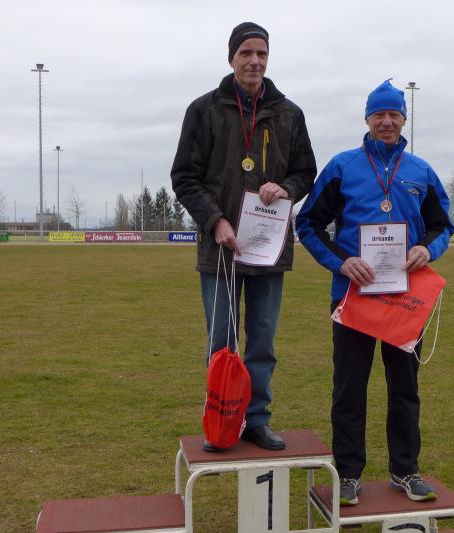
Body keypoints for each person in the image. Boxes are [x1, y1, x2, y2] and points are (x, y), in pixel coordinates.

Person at [296, 80, 454, 504]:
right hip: (354, 296)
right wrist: (340, 262)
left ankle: (405, 470)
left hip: (405, 299)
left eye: (394, 115)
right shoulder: (342, 166)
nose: (386, 122)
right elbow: (307, 223)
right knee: (349, 388)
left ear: (404, 119)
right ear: (366, 119)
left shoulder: (421, 172)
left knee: (405, 388)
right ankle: (348, 474)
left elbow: (443, 226)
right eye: (378, 114)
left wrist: (427, 248)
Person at [171, 22, 316, 452]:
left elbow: (306, 171)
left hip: (268, 250)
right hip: (220, 248)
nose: (255, 61)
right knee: (222, 342)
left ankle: (257, 420)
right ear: (231, 57)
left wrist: (286, 188)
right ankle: (222, 421)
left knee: (263, 342)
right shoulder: (204, 110)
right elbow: (184, 177)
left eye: (262, 54)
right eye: (246, 53)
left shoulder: (289, 113)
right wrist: (215, 221)